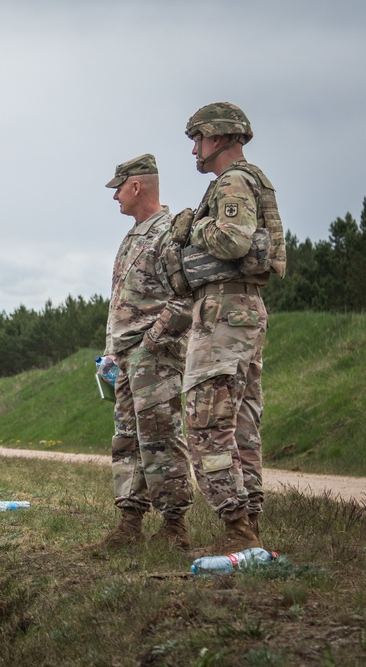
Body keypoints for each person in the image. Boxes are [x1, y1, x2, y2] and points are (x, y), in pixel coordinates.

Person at [179, 101, 286, 551]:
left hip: (224, 313)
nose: (194, 151)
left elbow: (232, 239)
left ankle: (240, 531)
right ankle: (249, 532)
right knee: (239, 425)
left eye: (198, 140)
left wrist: (193, 225)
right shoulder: (247, 180)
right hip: (240, 310)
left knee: (206, 425)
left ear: (219, 137)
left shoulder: (235, 182)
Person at [96, 154, 195, 551]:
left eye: (118, 187)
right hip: (126, 358)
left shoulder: (170, 234)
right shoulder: (133, 236)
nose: (114, 196)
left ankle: (175, 527)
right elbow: (120, 302)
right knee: (127, 440)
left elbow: (186, 299)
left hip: (155, 357)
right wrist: (112, 352)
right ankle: (129, 524)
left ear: (136, 186)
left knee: (160, 439)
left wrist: (150, 343)